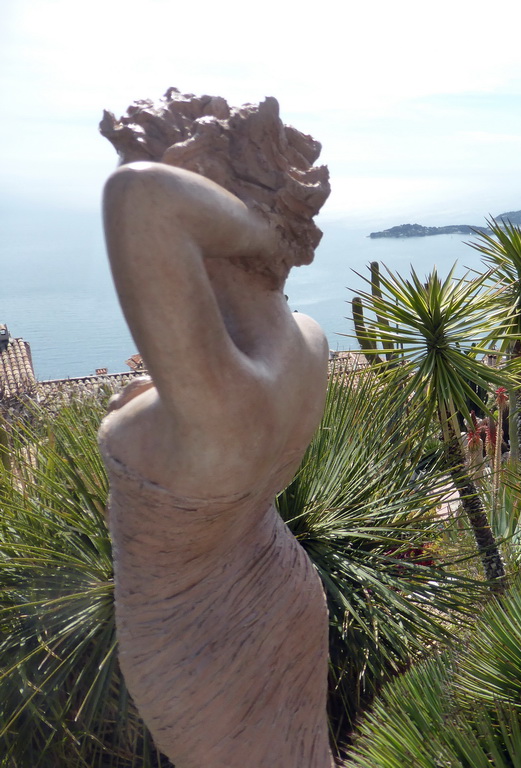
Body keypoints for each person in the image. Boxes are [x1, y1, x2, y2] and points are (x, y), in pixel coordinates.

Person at [97, 89, 335, 768]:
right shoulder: (308, 343)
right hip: (276, 586)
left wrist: (268, 231)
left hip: (196, 644)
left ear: (215, 211)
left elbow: (140, 198)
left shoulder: (223, 400)